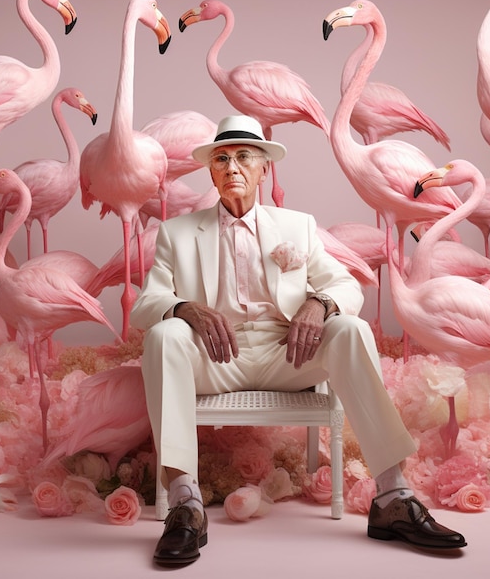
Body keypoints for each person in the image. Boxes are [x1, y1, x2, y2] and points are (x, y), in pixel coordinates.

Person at [130, 115, 467, 566]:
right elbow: (145, 304)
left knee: (350, 327)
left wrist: (320, 304)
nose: (233, 167)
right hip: (213, 358)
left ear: (263, 169)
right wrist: (184, 308)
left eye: (244, 157)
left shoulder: (297, 227)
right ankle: (186, 505)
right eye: (223, 159)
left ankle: (393, 497)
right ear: (211, 172)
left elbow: (347, 287)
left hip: (285, 355)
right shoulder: (178, 232)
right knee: (164, 334)